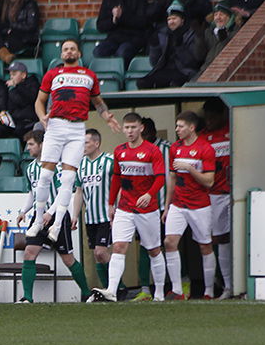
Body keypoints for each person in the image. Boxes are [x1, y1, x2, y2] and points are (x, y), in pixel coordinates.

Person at [28, 39, 119, 244]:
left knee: (68, 179)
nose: (68, 51)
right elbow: (39, 101)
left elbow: (97, 102)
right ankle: (37, 219)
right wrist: (42, 116)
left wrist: (107, 117)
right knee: (45, 175)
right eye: (65, 49)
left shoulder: (89, 76)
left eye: (72, 49)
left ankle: (58, 223)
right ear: (62, 55)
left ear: (78, 53)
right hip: (56, 125)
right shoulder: (52, 74)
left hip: (77, 127)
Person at [90, 112, 167, 303]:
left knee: (153, 250)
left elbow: (160, 178)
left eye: (133, 127)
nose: (130, 131)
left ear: (141, 128)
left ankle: (159, 293)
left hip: (147, 209)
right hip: (125, 207)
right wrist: (110, 204)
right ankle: (112, 291)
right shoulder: (120, 151)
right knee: (118, 246)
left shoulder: (152, 151)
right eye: (127, 128)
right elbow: (116, 178)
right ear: (123, 129)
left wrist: (149, 194)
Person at [16, 130, 91, 303]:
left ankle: (86, 293)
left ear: (42, 145)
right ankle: (27, 297)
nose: (28, 148)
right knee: (29, 253)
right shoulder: (31, 168)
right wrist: (23, 211)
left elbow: (63, 193)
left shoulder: (57, 166)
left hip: (57, 217)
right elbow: (32, 193)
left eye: (31, 144)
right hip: (39, 217)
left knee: (68, 258)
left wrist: (50, 213)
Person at [162, 111, 216, 300]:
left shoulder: (205, 148)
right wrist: (167, 205)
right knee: (169, 242)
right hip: (178, 203)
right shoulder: (175, 148)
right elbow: (172, 177)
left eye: (180, 126)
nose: (177, 130)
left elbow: (209, 181)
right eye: (176, 126)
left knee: (205, 246)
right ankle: (177, 290)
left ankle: (208, 291)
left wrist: (190, 168)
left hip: (199, 205)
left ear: (191, 128)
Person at [131, 117, 172, 302]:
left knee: (169, 244)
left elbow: (172, 176)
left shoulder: (166, 148)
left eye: (144, 133)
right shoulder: (133, 150)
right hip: (144, 208)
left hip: (164, 204)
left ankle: (180, 283)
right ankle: (145, 289)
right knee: (145, 246)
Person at [72, 129, 114, 292]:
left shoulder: (110, 161)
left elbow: (119, 186)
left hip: (106, 216)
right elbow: (79, 191)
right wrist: (75, 215)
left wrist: (116, 207)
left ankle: (117, 287)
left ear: (96, 143)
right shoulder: (80, 165)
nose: (83, 146)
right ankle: (107, 290)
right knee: (98, 256)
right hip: (90, 217)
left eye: (86, 142)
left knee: (101, 252)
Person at [199, 98, 232, 300]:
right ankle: (225, 284)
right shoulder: (203, 138)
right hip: (214, 196)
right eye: (206, 118)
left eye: (212, 117)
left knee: (235, 238)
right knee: (218, 239)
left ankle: (231, 283)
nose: (209, 121)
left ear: (222, 115)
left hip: (234, 192)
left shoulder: (233, 131)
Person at [137, 0, 203, 89]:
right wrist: (154, 46)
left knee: (173, 83)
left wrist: (180, 47)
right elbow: (154, 63)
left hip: (184, 71)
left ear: (182, 20)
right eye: (169, 19)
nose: (171, 22)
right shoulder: (163, 34)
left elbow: (192, 63)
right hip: (165, 70)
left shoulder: (191, 34)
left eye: (174, 18)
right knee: (142, 82)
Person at [94, 0, 149, 70]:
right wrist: (113, 20)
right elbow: (100, 26)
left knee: (123, 52)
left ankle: (120, 79)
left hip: (134, 37)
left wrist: (122, 16)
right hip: (114, 37)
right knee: (98, 51)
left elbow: (143, 22)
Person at [193, 1, 242, 80]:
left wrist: (224, 40)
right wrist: (199, 38)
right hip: (205, 70)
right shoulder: (208, 32)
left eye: (221, 14)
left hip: (224, 73)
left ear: (230, 17)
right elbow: (199, 56)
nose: (218, 17)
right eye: (216, 15)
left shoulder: (236, 32)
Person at [147, 0, 212, 32]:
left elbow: (206, 12)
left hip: (189, 32)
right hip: (167, 32)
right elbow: (151, 15)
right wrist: (158, 1)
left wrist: (188, 2)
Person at [5, 61, 40, 139]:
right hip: (17, 121)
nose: (11, 77)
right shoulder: (12, 90)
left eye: (14, 74)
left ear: (23, 75)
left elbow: (31, 99)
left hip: (31, 121)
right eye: (10, 75)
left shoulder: (33, 84)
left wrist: (18, 86)